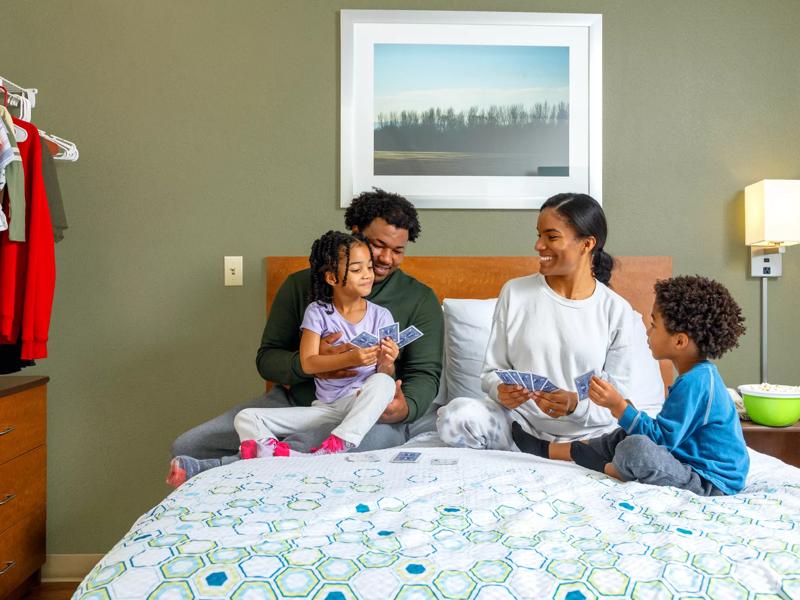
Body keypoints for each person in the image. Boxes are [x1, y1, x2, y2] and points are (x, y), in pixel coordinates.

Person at [170, 189, 443, 462]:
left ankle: (251, 459)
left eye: (397, 251)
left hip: (370, 412)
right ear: (355, 232)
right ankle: (269, 453)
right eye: (378, 245)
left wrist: (406, 407)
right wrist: (311, 361)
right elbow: (267, 360)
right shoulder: (302, 287)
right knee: (189, 445)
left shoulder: (419, 299)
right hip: (299, 404)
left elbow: (425, 373)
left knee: (315, 448)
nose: (386, 258)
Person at [168, 232, 401, 484]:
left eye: (368, 266)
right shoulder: (318, 312)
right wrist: (351, 358)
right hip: (325, 409)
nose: (368, 274)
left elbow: (384, 373)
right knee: (245, 417)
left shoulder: (381, 316)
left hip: (357, 404)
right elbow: (309, 362)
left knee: (384, 384)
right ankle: (276, 454)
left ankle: (337, 445)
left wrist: (387, 362)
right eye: (357, 269)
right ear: (332, 277)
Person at [437, 193, 664, 450]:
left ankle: (564, 452)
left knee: (643, 444)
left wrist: (575, 405)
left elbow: (618, 398)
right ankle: (539, 450)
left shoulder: (616, 310)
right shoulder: (514, 292)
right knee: (454, 417)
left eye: (551, 237)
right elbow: (491, 372)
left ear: (587, 244)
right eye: (538, 235)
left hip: (591, 433)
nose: (538, 246)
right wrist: (500, 389)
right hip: (520, 426)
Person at [513, 275, 749, 496]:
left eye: (654, 325)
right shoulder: (698, 376)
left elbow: (663, 441)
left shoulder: (696, 382)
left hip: (709, 481)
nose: (647, 332)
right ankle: (546, 449)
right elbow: (668, 434)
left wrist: (618, 406)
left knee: (636, 448)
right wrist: (624, 408)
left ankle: (605, 466)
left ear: (679, 341)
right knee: (625, 435)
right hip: (687, 458)